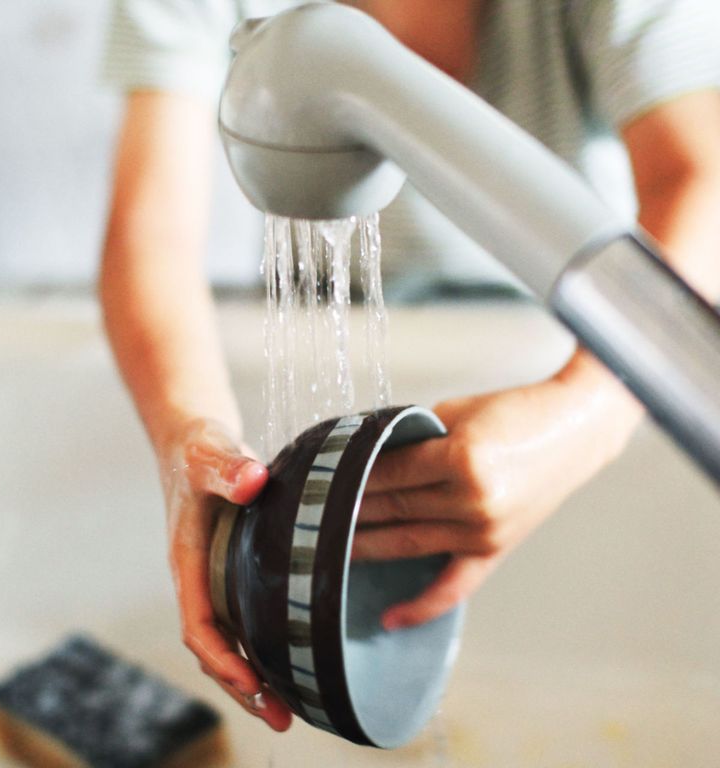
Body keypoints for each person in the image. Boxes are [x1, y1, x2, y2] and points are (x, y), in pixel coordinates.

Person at [100, 0, 720, 732]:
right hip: (350, 342)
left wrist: (585, 420)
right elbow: (152, 240)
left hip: (577, 344)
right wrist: (188, 434)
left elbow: (700, 179)